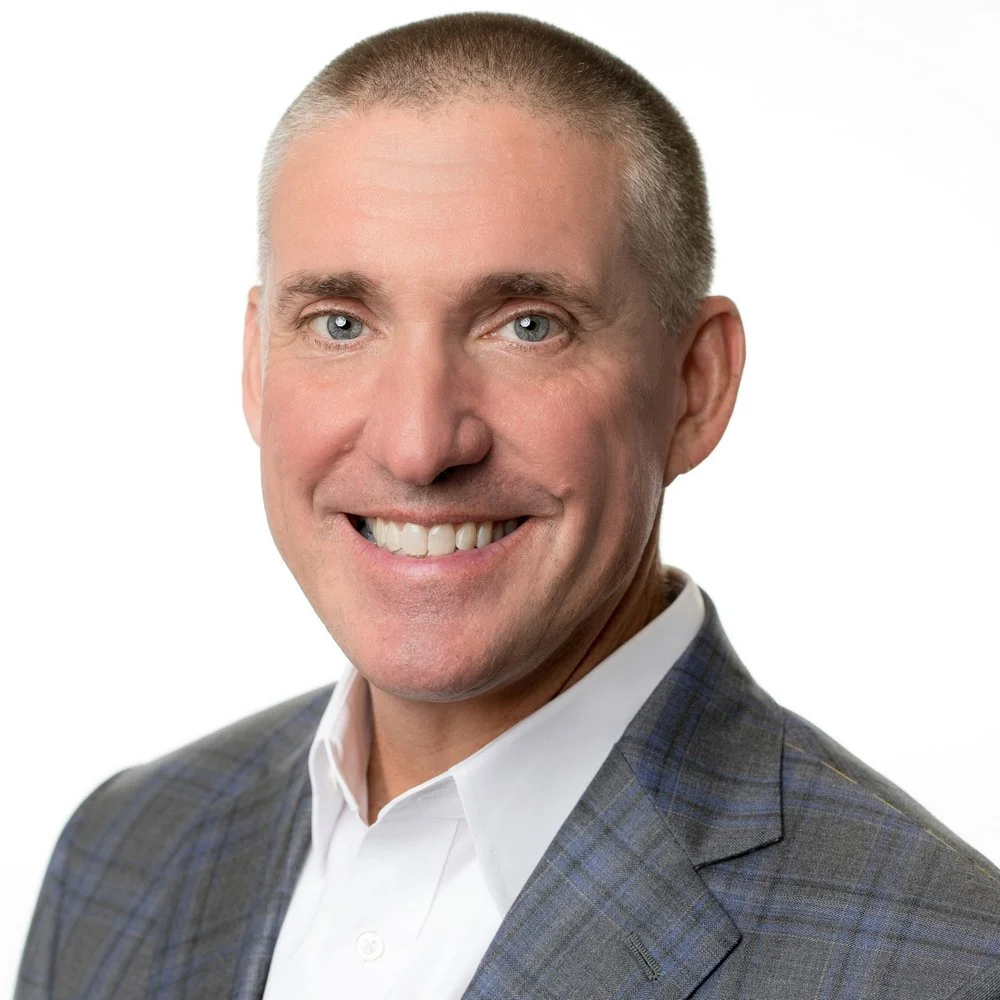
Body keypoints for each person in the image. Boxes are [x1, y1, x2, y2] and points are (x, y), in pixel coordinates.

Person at [15, 12, 1000, 1000]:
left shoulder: (945, 962)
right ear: (256, 360)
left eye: (526, 326)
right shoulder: (122, 856)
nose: (418, 442)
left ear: (695, 385)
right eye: (341, 322)